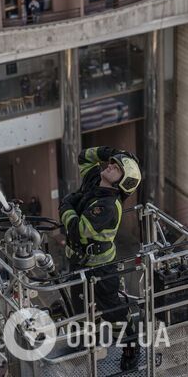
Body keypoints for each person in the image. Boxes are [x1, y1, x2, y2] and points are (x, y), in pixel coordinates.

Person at [59, 146, 142, 371]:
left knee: (113, 311)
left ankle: (131, 347)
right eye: (113, 162)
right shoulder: (95, 178)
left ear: (122, 183)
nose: (111, 165)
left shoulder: (107, 206)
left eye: (117, 168)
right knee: (81, 310)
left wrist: (66, 206)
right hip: (78, 264)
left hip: (102, 269)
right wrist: (109, 152)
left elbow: (78, 230)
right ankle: (88, 348)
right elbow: (83, 157)